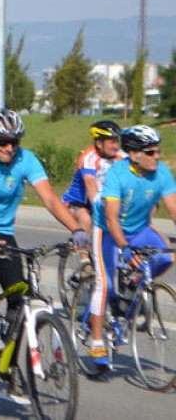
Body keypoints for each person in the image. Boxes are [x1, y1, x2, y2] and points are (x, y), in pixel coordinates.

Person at [0, 109, 87, 349]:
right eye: (2, 142)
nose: (9, 148)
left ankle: (8, 362)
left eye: (14, 142)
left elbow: (50, 199)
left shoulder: (26, 159)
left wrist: (76, 228)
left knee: (18, 292)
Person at [86, 125, 176, 370]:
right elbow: (112, 218)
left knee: (166, 258)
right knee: (104, 284)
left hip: (140, 228)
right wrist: (124, 248)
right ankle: (96, 341)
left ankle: (134, 284)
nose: (156, 156)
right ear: (134, 154)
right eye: (150, 152)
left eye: (157, 151)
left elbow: (174, 208)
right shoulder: (118, 174)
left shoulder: (162, 173)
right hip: (107, 230)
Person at [61, 120, 125, 237]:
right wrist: (101, 212)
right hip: (76, 203)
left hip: (102, 200)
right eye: (112, 142)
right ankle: (84, 254)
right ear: (100, 143)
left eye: (117, 141)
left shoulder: (122, 157)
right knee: (86, 219)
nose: (116, 146)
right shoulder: (89, 157)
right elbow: (90, 183)